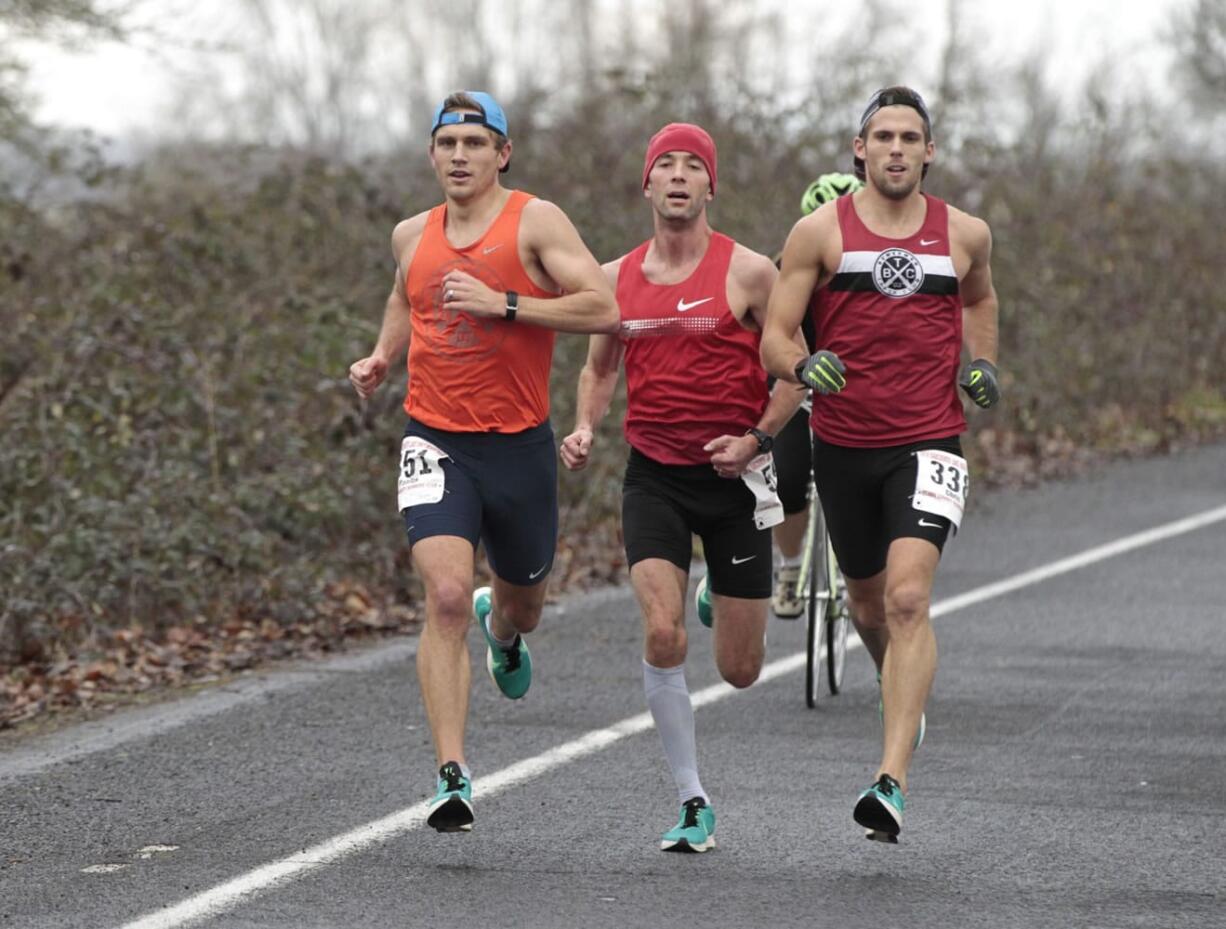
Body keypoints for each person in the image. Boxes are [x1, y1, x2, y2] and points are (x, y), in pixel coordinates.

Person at [348, 91, 618, 834]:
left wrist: (506, 303)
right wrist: (382, 355)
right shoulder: (412, 232)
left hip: (520, 447)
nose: (459, 155)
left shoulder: (536, 221)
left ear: (502, 153)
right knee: (440, 594)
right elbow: (408, 294)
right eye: (447, 143)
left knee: (521, 599)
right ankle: (451, 772)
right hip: (435, 440)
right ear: (432, 154)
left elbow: (602, 308)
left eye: (475, 142)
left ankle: (501, 633)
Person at [761, 86, 1001, 844]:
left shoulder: (965, 233)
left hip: (929, 441)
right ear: (858, 149)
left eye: (910, 137)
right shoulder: (817, 234)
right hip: (844, 445)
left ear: (930, 151)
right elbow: (775, 336)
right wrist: (806, 366)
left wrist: (983, 362)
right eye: (882, 136)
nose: (896, 148)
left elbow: (980, 299)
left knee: (906, 599)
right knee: (867, 608)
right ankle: (899, 689)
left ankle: (889, 779)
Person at [560, 123, 805, 853]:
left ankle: (718, 592)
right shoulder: (612, 277)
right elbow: (601, 367)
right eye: (662, 165)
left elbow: (795, 372)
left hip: (734, 482)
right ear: (645, 185)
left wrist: (756, 439)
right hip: (655, 479)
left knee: (740, 669)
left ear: (709, 186)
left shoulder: (751, 273)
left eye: (690, 167)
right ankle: (692, 796)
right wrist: (583, 425)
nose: (675, 176)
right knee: (662, 631)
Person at [769, 172, 863, 619]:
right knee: (786, 478)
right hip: (800, 392)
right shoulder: (781, 268)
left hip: (862, 399)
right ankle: (789, 567)